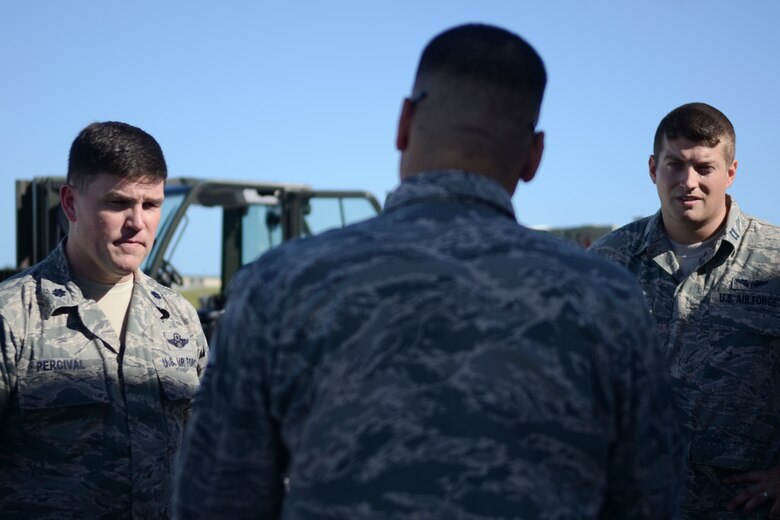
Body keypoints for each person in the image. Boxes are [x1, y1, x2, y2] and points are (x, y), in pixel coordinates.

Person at [173, 24, 681, 519]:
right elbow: (649, 497)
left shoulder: (280, 284)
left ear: (403, 123)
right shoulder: (608, 299)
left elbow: (216, 496)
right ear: (534, 156)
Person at [0, 122, 208, 519]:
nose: (138, 222)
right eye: (117, 203)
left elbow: (205, 451)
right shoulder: (14, 316)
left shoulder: (178, 318)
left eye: (151, 205)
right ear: (70, 203)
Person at [590, 102, 780, 519]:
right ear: (653, 168)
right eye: (675, 164)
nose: (688, 182)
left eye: (704, 167)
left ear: (731, 172)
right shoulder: (607, 263)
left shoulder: (776, 262)